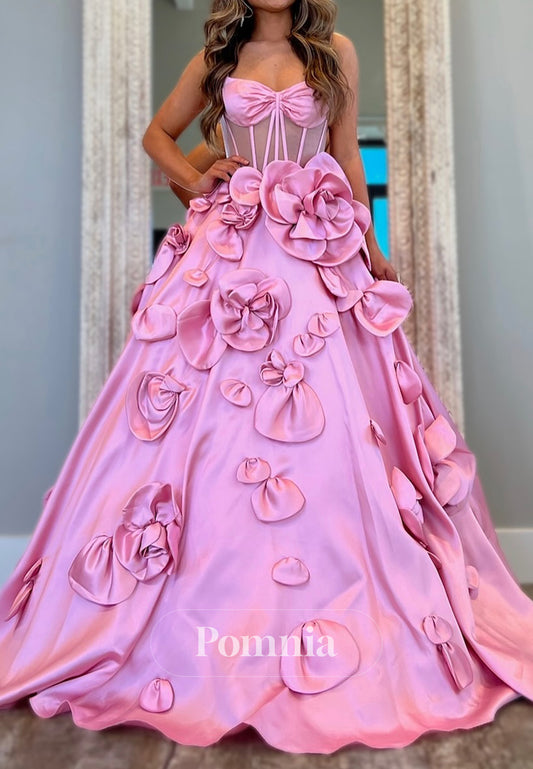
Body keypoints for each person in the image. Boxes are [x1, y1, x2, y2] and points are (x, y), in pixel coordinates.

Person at [0, 0, 532, 756]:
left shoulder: (334, 52)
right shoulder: (218, 58)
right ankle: (211, 616)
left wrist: (371, 247)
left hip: (313, 250)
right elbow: (156, 134)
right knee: (209, 426)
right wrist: (196, 179)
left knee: (331, 424)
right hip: (230, 250)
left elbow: (345, 156)